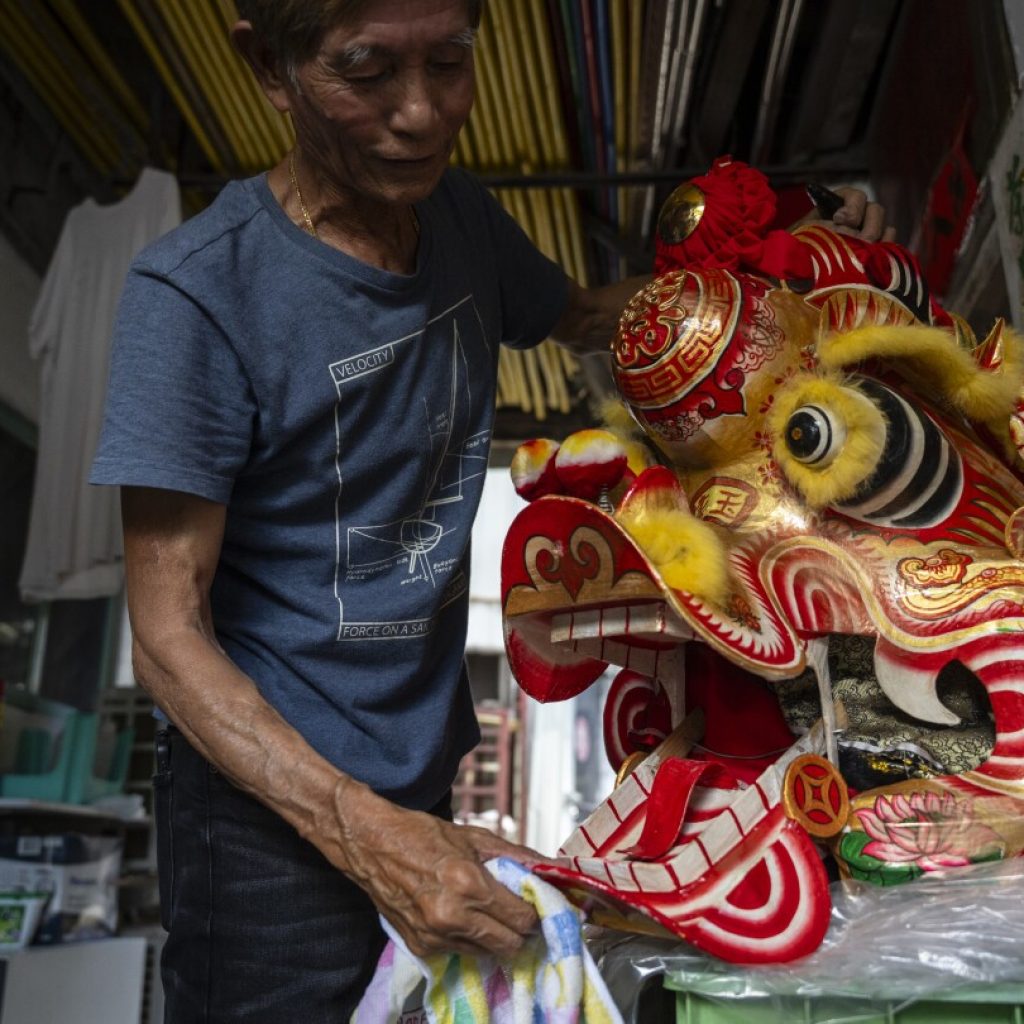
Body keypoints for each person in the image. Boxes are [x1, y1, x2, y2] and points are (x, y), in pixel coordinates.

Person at [90, 1, 888, 1019]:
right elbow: (165, 635)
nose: (421, 114)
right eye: (367, 69)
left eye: (451, 64)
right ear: (269, 68)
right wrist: (362, 831)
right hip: (263, 818)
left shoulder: (460, 219)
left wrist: (780, 260)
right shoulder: (196, 294)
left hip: (416, 773)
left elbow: (590, 318)